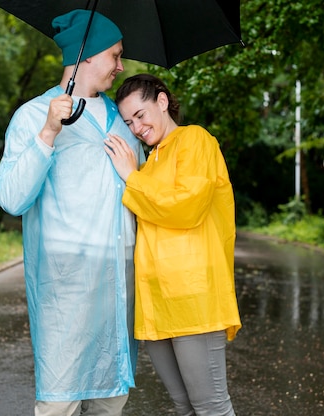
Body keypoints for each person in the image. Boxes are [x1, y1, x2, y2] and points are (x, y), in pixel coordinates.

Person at [0, 10, 145, 416]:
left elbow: (145, 190)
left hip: (119, 280)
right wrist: (48, 134)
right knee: (59, 403)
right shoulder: (32, 116)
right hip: (66, 283)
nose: (121, 66)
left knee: (112, 399)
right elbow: (10, 196)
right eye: (115, 55)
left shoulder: (123, 120)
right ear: (87, 56)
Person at [103, 74, 242, 416]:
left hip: (192, 298)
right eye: (128, 122)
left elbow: (186, 208)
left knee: (211, 407)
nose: (136, 127)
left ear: (162, 102)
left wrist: (130, 177)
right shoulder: (151, 161)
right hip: (156, 303)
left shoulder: (195, 140)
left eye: (140, 114)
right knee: (184, 406)